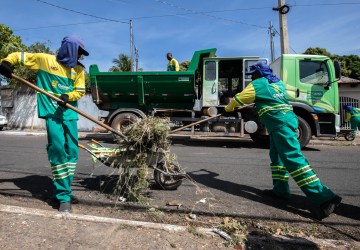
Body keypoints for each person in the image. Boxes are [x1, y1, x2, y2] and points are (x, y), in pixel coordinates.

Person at [224, 61, 341, 220]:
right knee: (277, 157)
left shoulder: (257, 85)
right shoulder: (278, 83)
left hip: (280, 125)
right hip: (284, 123)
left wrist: (227, 107)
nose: (251, 78)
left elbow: (236, 102)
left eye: (253, 75)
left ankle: (325, 197)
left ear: (258, 74)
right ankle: (281, 191)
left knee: (293, 159)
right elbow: (273, 100)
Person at [0, 35, 89, 213]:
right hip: (52, 114)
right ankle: (64, 197)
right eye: (78, 52)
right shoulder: (44, 60)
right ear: (70, 49)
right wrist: (7, 62)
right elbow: (19, 56)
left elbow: (80, 90)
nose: (80, 57)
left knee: (72, 152)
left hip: (70, 114)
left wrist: (68, 97)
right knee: (57, 150)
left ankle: (64, 189)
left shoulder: (78, 70)